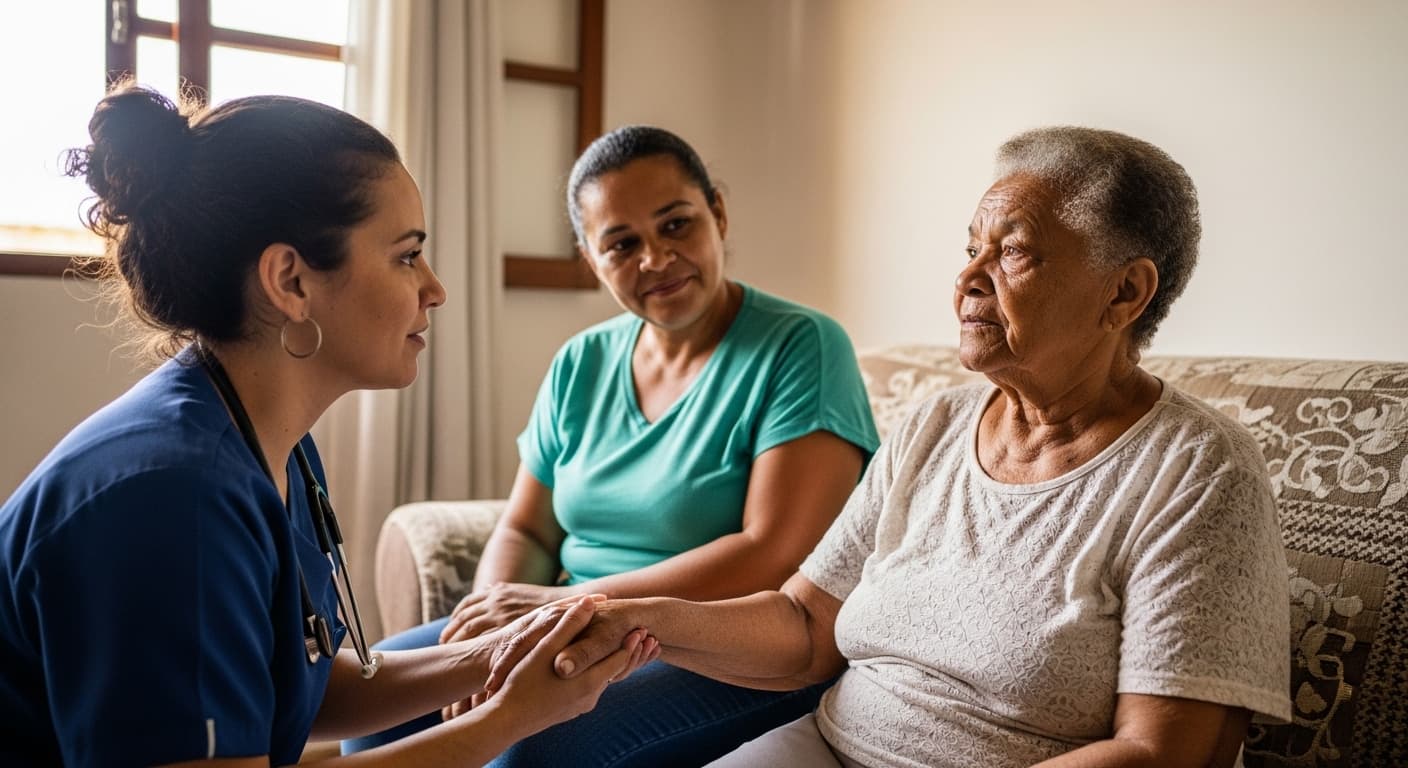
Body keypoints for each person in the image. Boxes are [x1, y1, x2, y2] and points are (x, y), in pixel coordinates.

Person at [546, 127, 1293, 768]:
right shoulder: (935, 425)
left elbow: (1165, 752)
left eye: (1014, 254)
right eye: (972, 248)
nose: (968, 277)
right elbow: (806, 629)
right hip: (826, 747)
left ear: (1125, 293)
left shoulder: (1197, 470)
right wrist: (630, 615)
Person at [0, 83, 655, 768]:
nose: (435, 288)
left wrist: (504, 650)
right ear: (291, 281)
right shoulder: (170, 497)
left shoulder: (261, 437)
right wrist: (505, 721)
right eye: (406, 255)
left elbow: (303, 689)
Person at [344, 125, 880, 764]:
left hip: (733, 644)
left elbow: (774, 553)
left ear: (718, 213)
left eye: (676, 225)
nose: (655, 258)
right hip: (572, 619)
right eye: (622, 244)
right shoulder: (581, 361)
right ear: (590, 259)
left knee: (535, 745)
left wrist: (566, 605)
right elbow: (528, 531)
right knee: (377, 714)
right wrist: (493, 622)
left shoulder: (803, 345)